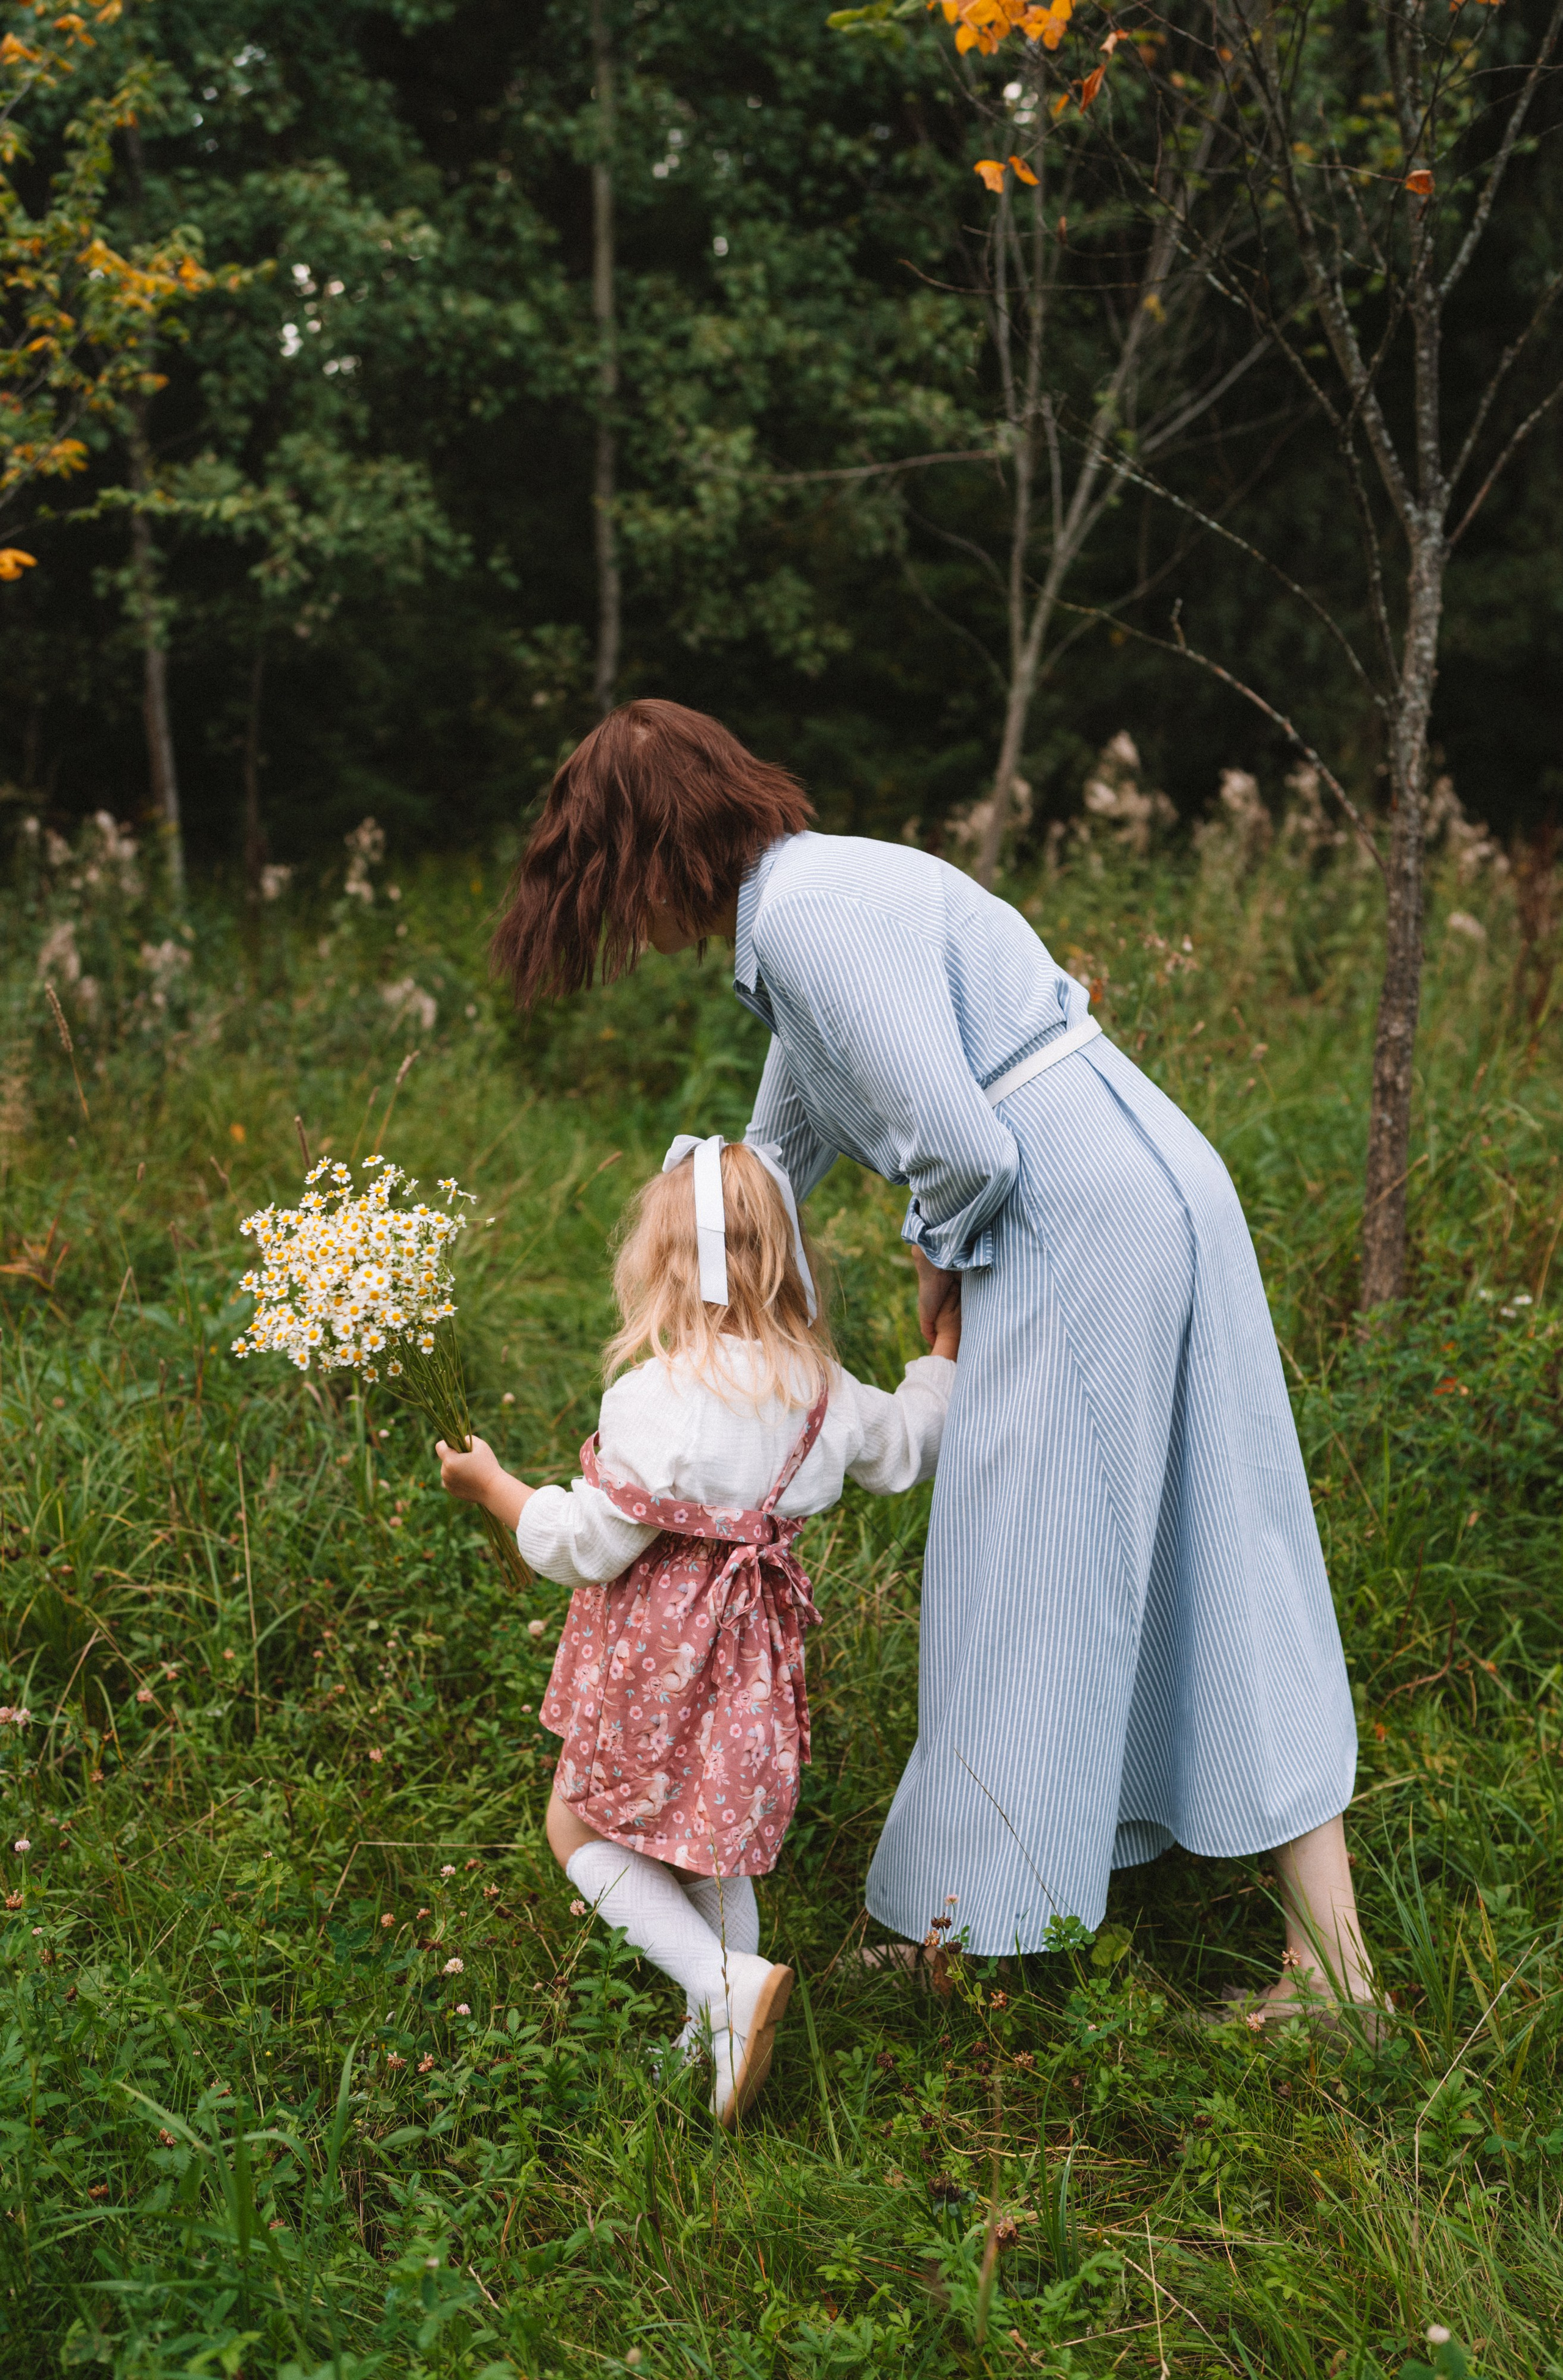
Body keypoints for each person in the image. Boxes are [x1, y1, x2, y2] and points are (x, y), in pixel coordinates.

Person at [488, 697, 1381, 2026]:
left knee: (1007, 1566)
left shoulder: (800, 916)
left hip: (1074, 1217)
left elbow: (963, 1151)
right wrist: (700, 1313)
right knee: (1218, 1538)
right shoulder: (808, 906)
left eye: (618, 894)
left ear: (655, 850)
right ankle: (1319, 1957)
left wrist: (932, 1257)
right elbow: (773, 1159)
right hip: (1147, 1181)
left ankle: (970, 1936)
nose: (635, 934)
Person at [436, 1136, 959, 2121]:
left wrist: (493, 1487)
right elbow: (909, 1445)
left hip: (657, 1657)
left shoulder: (657, 1398)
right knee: (713, 1839)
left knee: (576, 1824)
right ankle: (711, 2025)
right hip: (753, 1650)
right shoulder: (818, 1388)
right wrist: (941, 1362)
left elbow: (583, 1544)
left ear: (666, 1267)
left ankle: (726, 1986)